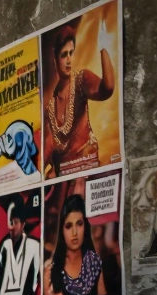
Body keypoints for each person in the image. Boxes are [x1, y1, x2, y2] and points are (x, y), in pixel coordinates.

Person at [44, 21, 115, 178]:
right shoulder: (49, 105)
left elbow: (107, 88)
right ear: (55, 58)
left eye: (71, 53)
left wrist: (103, 49)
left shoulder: (81, 80)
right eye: (64, 55)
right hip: (65, 179)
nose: (69, 59)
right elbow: (52, 150)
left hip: (87, 170)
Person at [44, 193, 108, 295]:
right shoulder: (50, 268)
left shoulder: (94, 263)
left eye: (79, 224)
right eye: (68, 226)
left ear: (85, 227)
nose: (75, 232)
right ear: (62, 231)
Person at [0, 201, 41, 295]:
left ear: (22, 225)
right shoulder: (5, 246)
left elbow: (37, 275)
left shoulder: (34, 245)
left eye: (16, 222)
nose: (12, 227)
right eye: (10, 222)